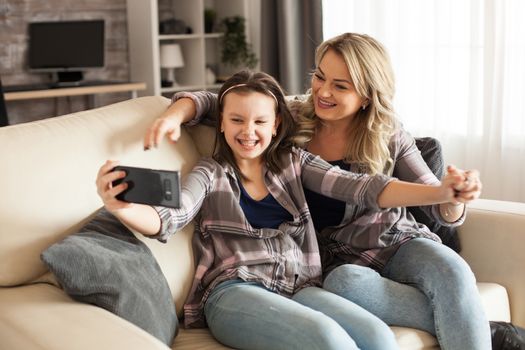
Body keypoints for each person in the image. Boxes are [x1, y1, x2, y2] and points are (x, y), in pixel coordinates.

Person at [143, 33, 492, 349]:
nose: (323, 92)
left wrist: (452, 196)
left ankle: (466, 319)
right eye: (320, 76)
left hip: (395, 240)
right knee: (346, 285)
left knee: (453, 272)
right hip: (339, 262)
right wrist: (174, 115)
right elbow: (227, 103)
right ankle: (473, 321)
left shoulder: (389, 133)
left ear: (368, 95)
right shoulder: (288, 119)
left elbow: (427, 198)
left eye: (341, 86)